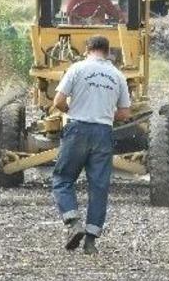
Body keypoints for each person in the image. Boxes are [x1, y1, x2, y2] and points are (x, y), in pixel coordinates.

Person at [51, 35, 132, 255]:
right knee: (98, 187)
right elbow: (125, 113)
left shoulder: (77, 69)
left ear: (87, 49)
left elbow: (58, 101)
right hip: (103, 132)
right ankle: (91, 242)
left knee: (63, 178)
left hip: (77, 128)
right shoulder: (118, 75)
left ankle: (72, 222)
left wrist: (74, 112)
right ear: (107, 52)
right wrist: (103, 114)